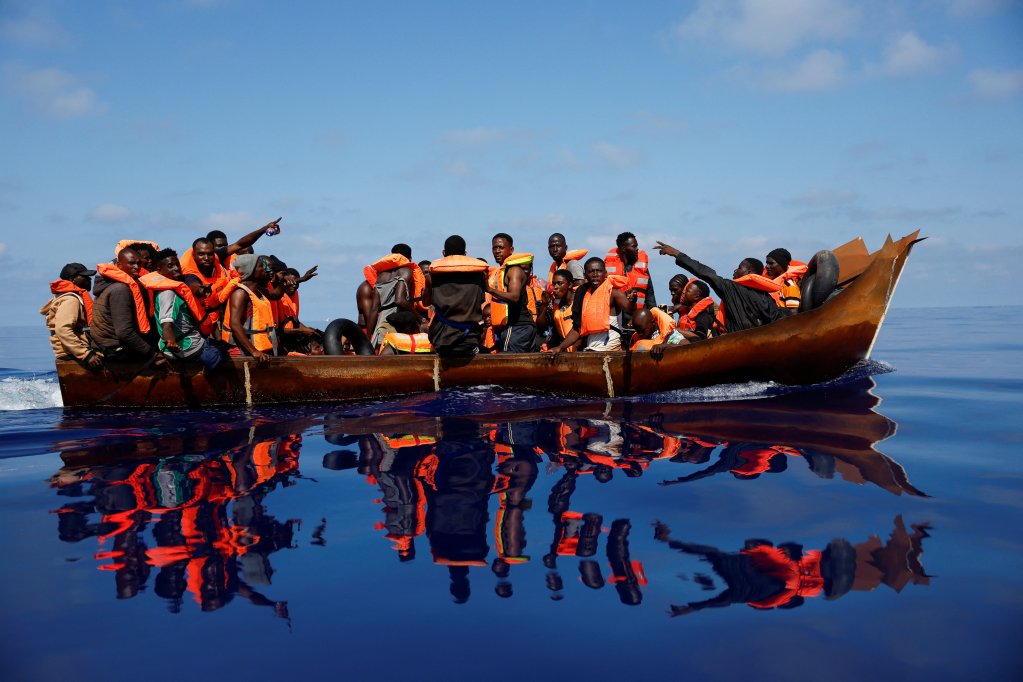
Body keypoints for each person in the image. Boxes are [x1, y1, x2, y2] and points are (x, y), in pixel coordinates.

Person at [654, 243, 783, 334]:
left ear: (749, 272)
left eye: (739, 267)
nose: (735, 270)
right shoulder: (767, 297)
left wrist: (677, 254)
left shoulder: (731, 289)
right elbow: (779, 319)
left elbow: (705, 272)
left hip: (738, 348)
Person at [141, 249, 226, 371]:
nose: (176, 268)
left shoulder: (167, 287)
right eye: (170, 266)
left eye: (177, 265)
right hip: (189, 348)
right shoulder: (168, 293)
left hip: (170, 348)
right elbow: (166, 324)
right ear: (158, 270)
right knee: (224, 352)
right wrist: (171, 341)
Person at [90, 248, 169, 367]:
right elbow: (124, 332)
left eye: (138, 263)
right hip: (114, 349)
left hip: (105, 344)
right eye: (131, 263)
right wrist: (152, 353)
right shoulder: (120, 290)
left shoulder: (108, 284)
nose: (137, 267)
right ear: (119, 266)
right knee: (169, 356)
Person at [545, 257, 633, 353]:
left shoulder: (614, 293)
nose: (595, 275)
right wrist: (560, 347)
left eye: (598, 271)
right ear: (585, 275)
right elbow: (576, 329)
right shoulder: (582, 294)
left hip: (610, 349)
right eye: (591, 272)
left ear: (605, 273)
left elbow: (630, 310)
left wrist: (632, 300)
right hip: (591, 350)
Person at [428, 235, 489, 357]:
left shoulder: (432, 276)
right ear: (465, 254)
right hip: (470, 339)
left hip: (442, 338)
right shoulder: (479, 276)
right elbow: (481, 299)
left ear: (444, 253)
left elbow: (425, 303)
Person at [41, 262, 103, 369]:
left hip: (72, 350)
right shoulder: (71, 300)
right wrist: (86, 354)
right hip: (72, 353)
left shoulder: (65, 297)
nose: (89, 279)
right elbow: (63, 329)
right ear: (72, 279)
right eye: (85, 277)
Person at [221, 254, 278, 366]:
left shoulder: (258, 291)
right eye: (261, 266)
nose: (265, 269)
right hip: (243, 351)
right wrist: (254, 352)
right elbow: (235, 324)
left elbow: (276, 294)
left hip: (258, 350)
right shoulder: (240, 293)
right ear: (251, 271)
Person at [605, 231, 656, 311]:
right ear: (623, 248)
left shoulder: (642, 269)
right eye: (634, 246)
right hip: (615, 316)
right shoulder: (606, 269)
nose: (637, 249)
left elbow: (650, 297)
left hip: (637, 316)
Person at [764, 247, 807, 313]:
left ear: (782, 264)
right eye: (767, 263)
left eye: (771, 263)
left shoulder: (790, 286)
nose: (767, 266)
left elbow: (793, 313)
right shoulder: (771, 284)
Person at [545, 269, 576, 351]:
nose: (555, 287)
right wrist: (544, 305)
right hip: (563, 349)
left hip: (579, 349)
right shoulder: (553, 303)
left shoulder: (579, 301)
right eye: (554, 284)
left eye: (560, 283)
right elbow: (542, 326)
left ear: (569, 285)